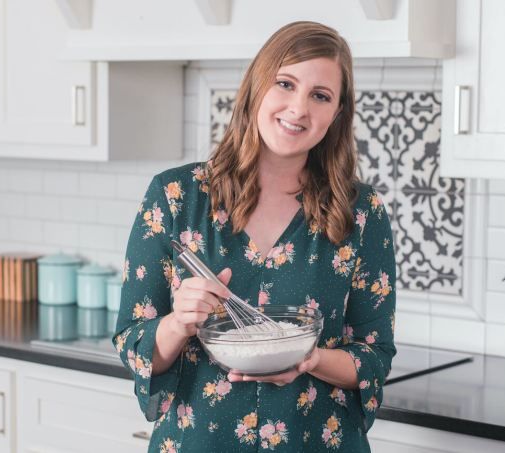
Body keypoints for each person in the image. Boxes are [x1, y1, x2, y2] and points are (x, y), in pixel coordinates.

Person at [113, 21, 396, 452]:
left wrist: (313, 360)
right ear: (256, 86)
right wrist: (178, 322)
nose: (298, 109)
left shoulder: (362, 213)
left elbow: (374, 357)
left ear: (337, 113)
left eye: (320, 96)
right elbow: (134, 345)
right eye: (285, 83)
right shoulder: (175, 198)